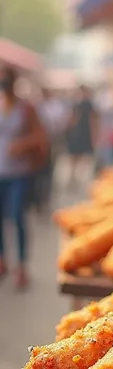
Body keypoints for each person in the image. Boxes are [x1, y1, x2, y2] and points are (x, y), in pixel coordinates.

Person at [0, 67, 47, 288]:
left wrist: (22, 145)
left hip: (19, 173)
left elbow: (40, 136)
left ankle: (21, 265)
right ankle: (2, 260)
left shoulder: (26, 109)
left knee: (17, 216)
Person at [65, 85, 97, 188]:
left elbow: (72, 120)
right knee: (78, 157)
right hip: (81, 133)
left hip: (79, 133)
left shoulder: (80, 104)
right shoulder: (85, 105)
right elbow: (92, 121)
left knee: (76, 158)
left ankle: (74, 179)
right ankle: (76, 179)